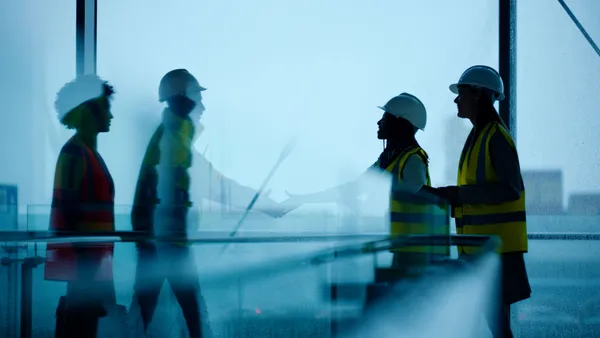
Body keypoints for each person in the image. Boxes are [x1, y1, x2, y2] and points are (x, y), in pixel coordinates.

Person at [130, 69, 284, 337]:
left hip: (160, 242)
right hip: (169, 244)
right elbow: (217, 186)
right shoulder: (173, 141)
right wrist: (264, 204)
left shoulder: (170, 138)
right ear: (183, 100)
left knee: (150, 311)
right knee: (191, 316)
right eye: (196, 98)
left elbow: (213, 183)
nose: (202, 106)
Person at [282, 93, 450, 273]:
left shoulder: (413, 160)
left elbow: (415, 197)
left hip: (418, 251)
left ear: (401, 124)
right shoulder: (388, 160)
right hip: (405, 246)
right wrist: (304, 199)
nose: (379, 123)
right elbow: (353, 188)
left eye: (385, 118)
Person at [432, 65, 531, 338]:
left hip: (494, 252)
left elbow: (509, 189)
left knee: (493, 326)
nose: (456, 100)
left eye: (460, 93)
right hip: (482, 250)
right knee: (492, 325)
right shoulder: (480, 135)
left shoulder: (494, 137)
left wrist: (456, 194)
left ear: (477, 94)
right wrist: (450, 195)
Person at [44, 74, 121, 337]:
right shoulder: (76, 154)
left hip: (91, 266)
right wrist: (91, 274)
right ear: (88, 108)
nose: (110, 115)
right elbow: (69, 214)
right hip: (86, 269)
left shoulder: (84, 153)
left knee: (83, 327)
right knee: (80, 328)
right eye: (106, 107)